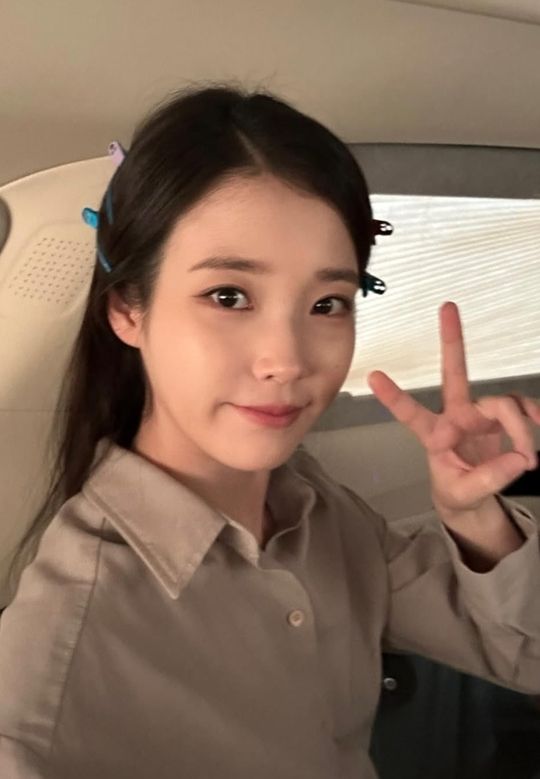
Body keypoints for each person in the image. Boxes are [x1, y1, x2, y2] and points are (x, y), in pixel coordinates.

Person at [0, 83, 539, 779]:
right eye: (228, 296)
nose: (286, 359)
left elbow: (522, 652)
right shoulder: (54, 671)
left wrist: (474, 520)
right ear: (129, 310)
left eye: (327, 303)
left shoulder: (318, 508)